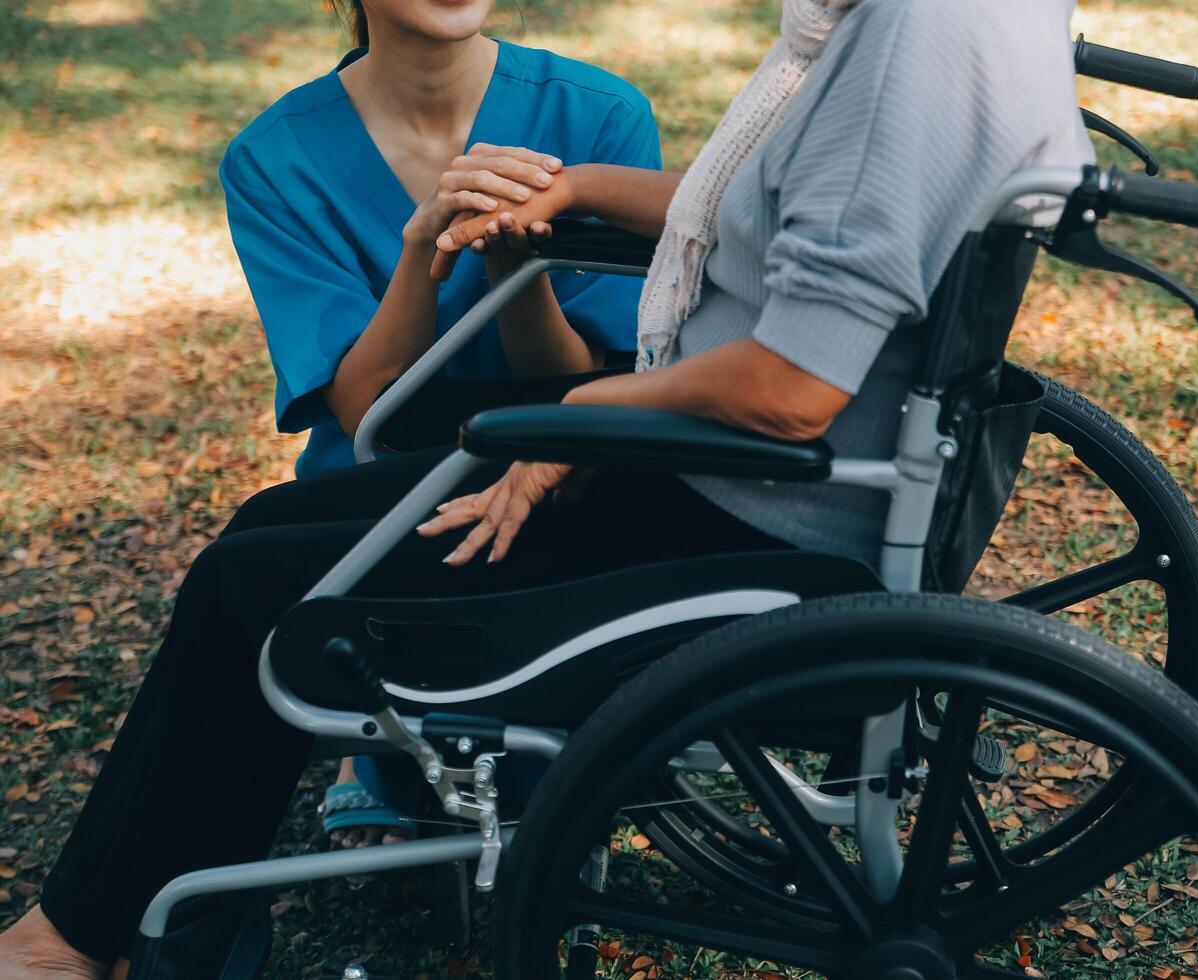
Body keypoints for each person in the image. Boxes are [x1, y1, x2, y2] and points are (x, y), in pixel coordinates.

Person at [0, 0, 1091, 975]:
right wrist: (582, 190)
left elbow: (792, 387)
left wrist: (582, 422)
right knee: (267, 529)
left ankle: (76, 935)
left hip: (748, 514)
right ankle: (148, 905)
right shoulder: (973, 18)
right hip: (732, 480)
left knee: (259, 584)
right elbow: (777, 218)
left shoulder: (912, 40)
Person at [220, 0, 660, 845]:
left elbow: (588, 388)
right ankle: (370, 743)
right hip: (379, 476)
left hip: (551, 462)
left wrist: (514, 267)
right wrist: (428, 245)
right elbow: (362, 409)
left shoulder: (600, 114)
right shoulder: (273, 156)